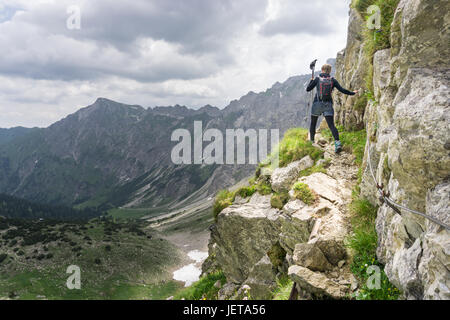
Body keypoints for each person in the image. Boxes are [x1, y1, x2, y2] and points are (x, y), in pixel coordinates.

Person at [306, 63, 358, 153]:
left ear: (322, 70)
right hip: (328, 105)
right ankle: (337, 143)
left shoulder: (317, 78)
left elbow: (308, 89)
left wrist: (312, 80)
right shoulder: (332, 80)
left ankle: (312, 142)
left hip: (317, 103)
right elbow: (342, 90)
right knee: (331, 125)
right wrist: (352, 93)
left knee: (313, 123)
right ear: (329, 71)